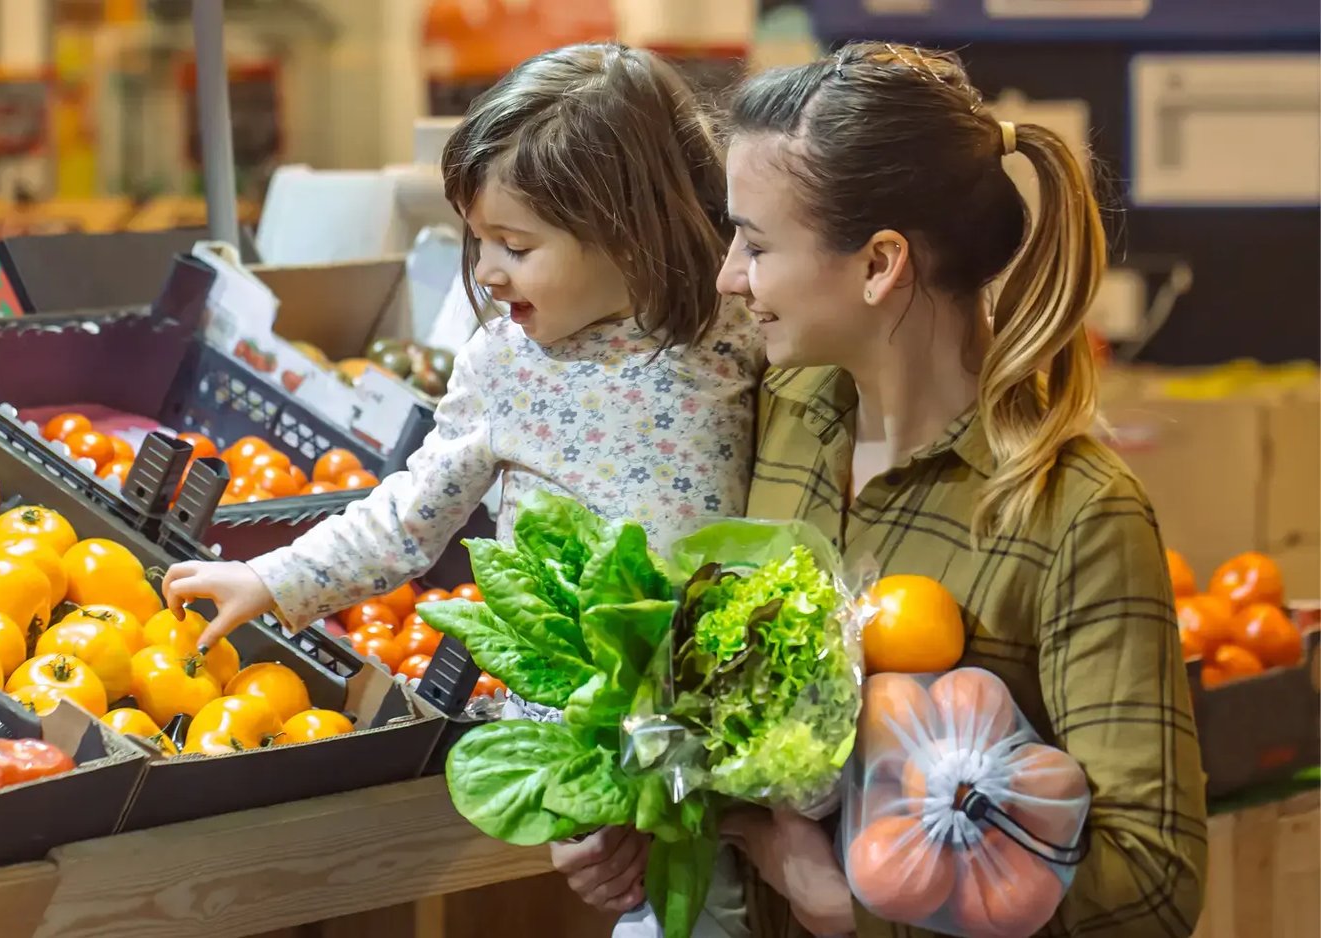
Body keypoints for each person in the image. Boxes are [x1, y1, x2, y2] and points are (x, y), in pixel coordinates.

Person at [552, 41, 1207, 938]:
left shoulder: (1073, 513)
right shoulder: (774, 414)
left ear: (879, 264)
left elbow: (1153, 887)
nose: (727, 277)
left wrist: (853, 902)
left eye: (756, 243)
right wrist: (635, 813)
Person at [163, 42, 762, 938]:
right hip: (586, 731)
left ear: (632, 230)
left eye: (516, 246)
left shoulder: (734, 331)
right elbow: (409, 514)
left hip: (717, 716)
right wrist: (277, 578)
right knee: (669, 908)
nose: (484, 270)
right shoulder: (506, 367)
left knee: (713, 898)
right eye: (477, 240)